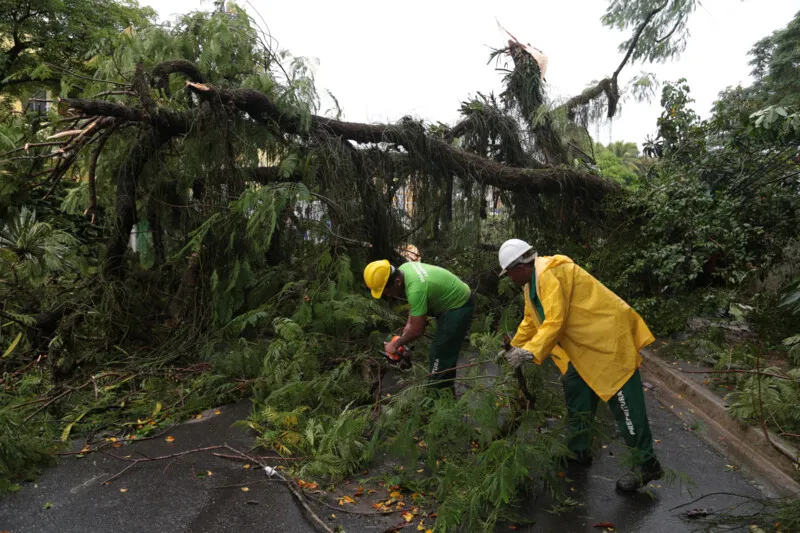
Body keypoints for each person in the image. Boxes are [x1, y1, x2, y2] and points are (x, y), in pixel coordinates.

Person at [498, 238, 662, 492]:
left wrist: (528, 353)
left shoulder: (548, 275)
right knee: (575, 384)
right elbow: (532, 321)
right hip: (587, 346)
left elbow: (555, 321)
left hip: (608, 340)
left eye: (509, 273)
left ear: (519, 267)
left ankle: (646, 464)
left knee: (626, 405)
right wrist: (512, 348)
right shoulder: (531, 284)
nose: (509, 278)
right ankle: (578, 449)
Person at [363, 259, 475, 393]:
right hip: (450, 302)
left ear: (397, 282)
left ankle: (436, 398)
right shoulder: (405, 269)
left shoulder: (416, 289)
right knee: (441, 353)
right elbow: (414, 311)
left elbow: (417, 330)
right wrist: (405, 334)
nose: (387, 295)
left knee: (440, 354)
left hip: (459, 306)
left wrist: (395, 344)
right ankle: (445, 393)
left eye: (386, 291)